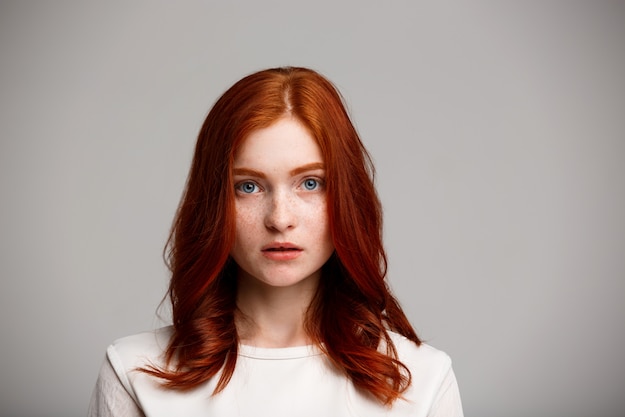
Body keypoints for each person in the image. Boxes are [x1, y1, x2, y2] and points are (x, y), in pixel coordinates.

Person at [88, 66, 463, 417]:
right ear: (214, 203)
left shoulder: (421, 380)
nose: (280, 219)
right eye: (248, 186)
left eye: (311, 183)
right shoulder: (136, 373)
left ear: (348, 197)